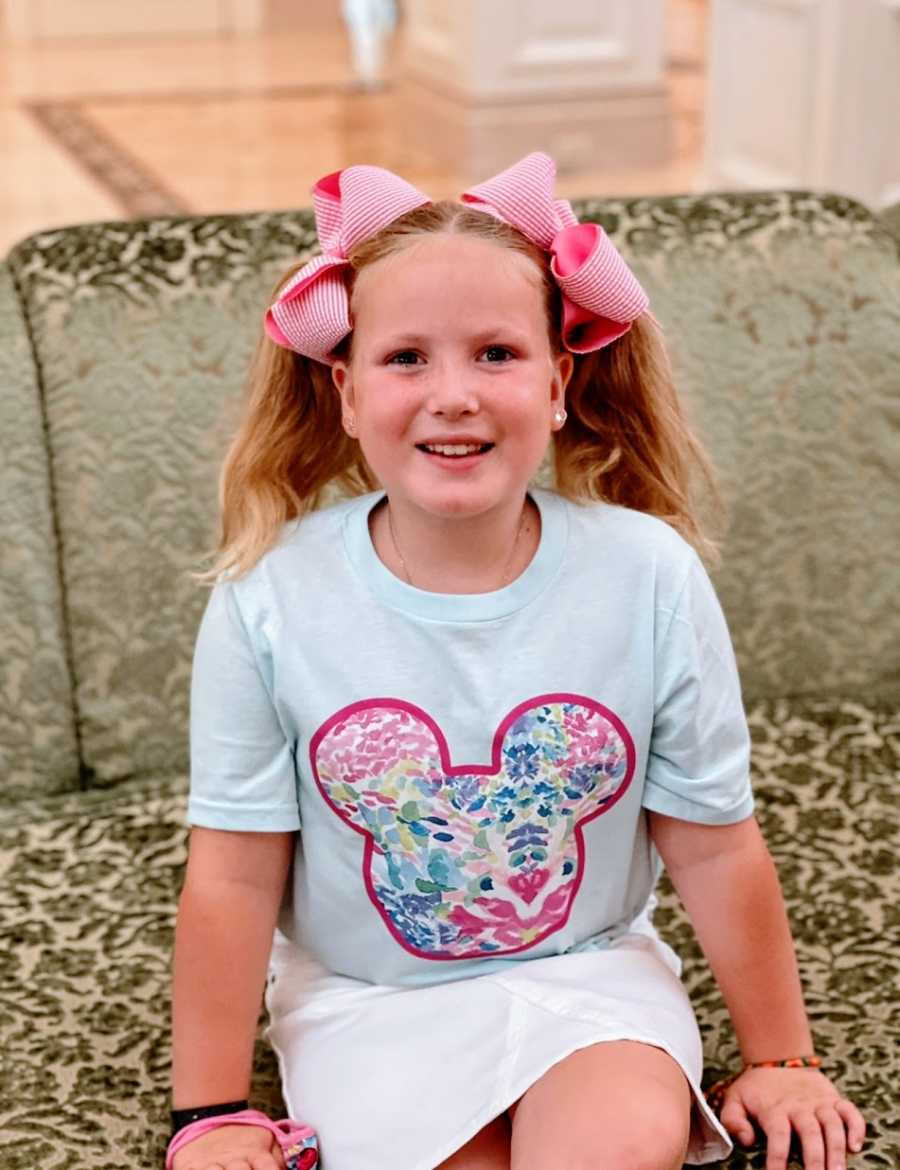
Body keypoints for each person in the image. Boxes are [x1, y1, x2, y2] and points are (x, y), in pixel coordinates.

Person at [168, 152, 867, 1170]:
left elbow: (714, 845)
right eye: (406, 358)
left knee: (617, 1145)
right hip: (368, 1004)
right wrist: (211, 1114)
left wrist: (784, 1057)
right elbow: (231, 876)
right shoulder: (269, 598)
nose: (453, 395)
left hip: (592, 981)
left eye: (496, 353)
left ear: (558, 384)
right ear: (346, 392)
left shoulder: (649, 575)